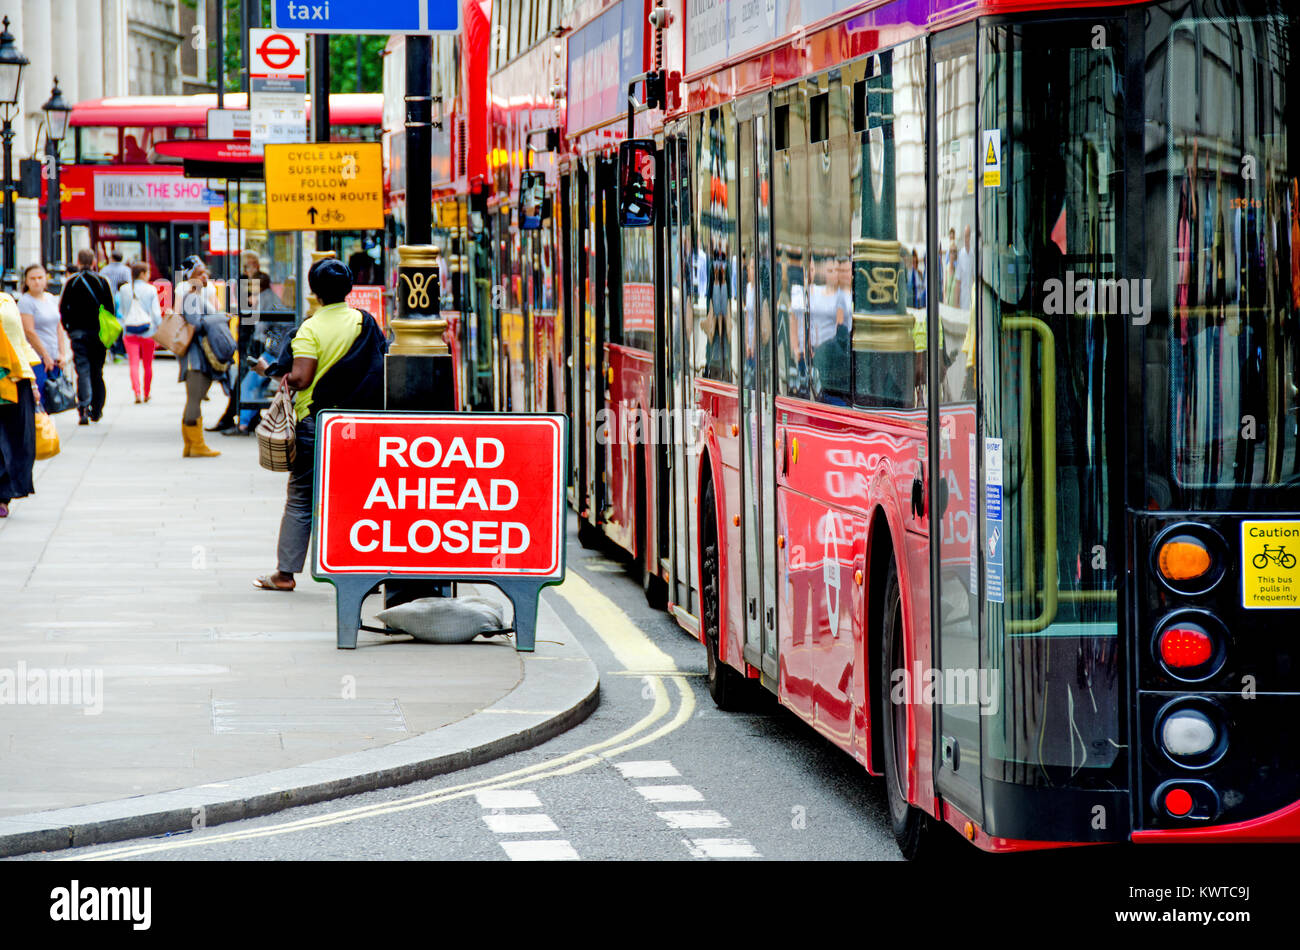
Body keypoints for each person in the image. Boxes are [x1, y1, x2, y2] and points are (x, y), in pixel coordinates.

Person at [254, 258, 387, 591]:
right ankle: (364, 568)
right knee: (359, 496)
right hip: (360, 425)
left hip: (318, 423)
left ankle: (285, 574)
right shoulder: (364, 321)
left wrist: (273, 372)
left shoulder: (310, 328)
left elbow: (301, 377)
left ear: (314, 291)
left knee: (301, 495)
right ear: (349, 288)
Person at [176, 259, 228, 458]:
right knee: (194, 399)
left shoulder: (196, 296)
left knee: (194, 399)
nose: (204, 277)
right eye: (199, 273)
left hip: (197, 356)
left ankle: (192, 445)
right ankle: (196, 444)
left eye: (205, 273)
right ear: (190, 277)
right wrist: (220, 318)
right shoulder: (192, 297)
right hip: (195, 357)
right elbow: (196, 324)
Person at [60, 249, 115, 425]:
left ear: (77, 260)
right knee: (97, 371)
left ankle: (83, 407)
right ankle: (97, 409)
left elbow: (63, 309)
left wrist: (68, 328)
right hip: (98, 334)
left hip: (78, 333)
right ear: (93, 262)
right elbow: (110, 310)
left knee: (82, 370)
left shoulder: (72, 282)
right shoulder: (102, 282)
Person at [0, 290, 39, 518]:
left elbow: (20, 342)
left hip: (16, 378)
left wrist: (33, 382)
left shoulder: (7, 301)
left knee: (17, 440)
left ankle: (5, 493)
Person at [18, 264, 69, 399]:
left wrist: (62, 354)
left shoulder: (51, 298)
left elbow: (58, 326)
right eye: (32, 278)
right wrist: (45, 356)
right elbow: (29, 331)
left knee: (54, 398)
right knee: (40, 397)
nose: (37, 282)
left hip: (54, 356)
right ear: (26, 281)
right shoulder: (25, 302)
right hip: (37, 357)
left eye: (40, 278)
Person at [118, 261, 163, 403]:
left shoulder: (124, 289)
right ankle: (146, 393)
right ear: (143, 274)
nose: (149, 275)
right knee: (148, 365)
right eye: (148, 272)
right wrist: (160, 328)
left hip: (129, 331)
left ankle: (137, 392)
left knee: (133, 364)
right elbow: (156, 313)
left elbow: (121, 311)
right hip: (148, 331)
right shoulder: (151, 290)